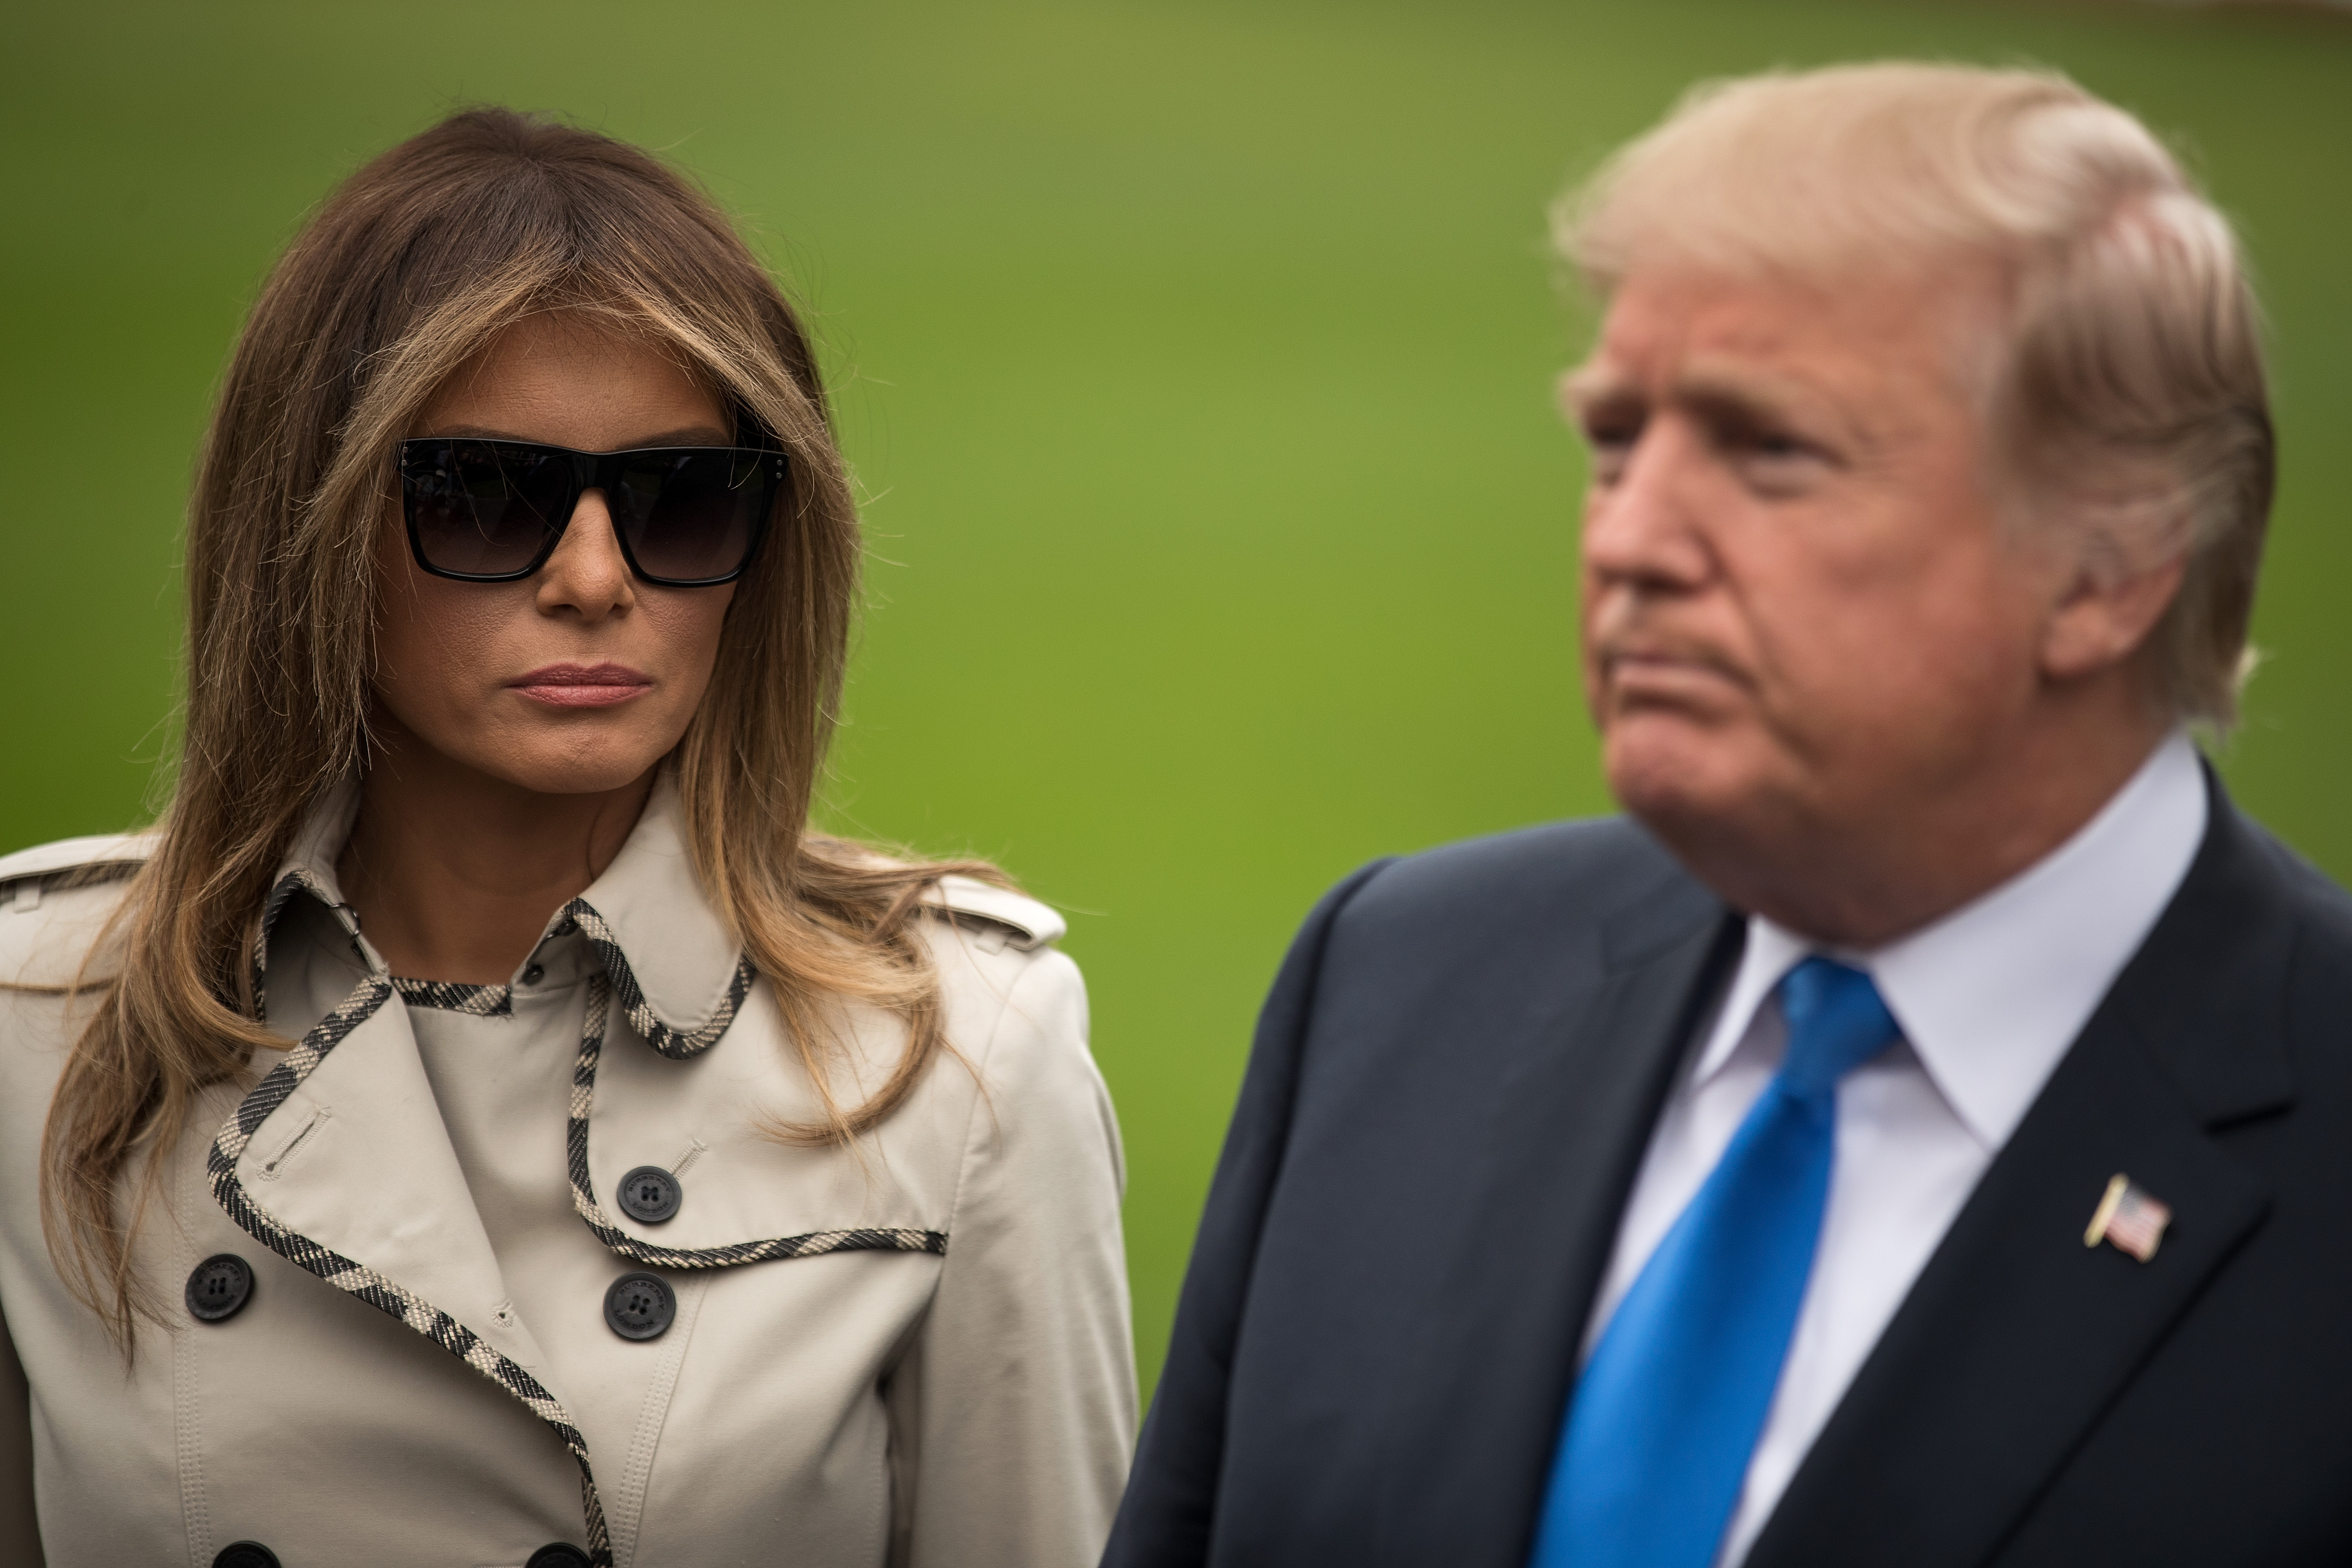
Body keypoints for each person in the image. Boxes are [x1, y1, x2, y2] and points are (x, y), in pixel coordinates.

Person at [1105, 63, 2350, 1568]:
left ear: (2107, 564)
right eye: (1614, 440)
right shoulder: (1396, 981)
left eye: (1771, 451)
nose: (1629, 538)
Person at [0, 109, 1134, 1568]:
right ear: (313, 524)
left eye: (679, 498)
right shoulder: (38, 1018)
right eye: (485, 497)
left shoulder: (956, 1053)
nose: (595, 578)